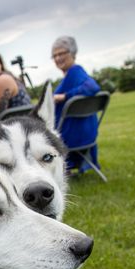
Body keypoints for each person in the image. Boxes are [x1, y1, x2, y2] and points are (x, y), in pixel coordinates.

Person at [51, 35, 101, 174]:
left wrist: (65, 96)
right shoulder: (70, 76)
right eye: (54, 55)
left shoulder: (75, 72)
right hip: (85, 134)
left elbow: (92, 87)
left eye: (61, 53)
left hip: (72, 136)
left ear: (72, 53)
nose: (58, 58)